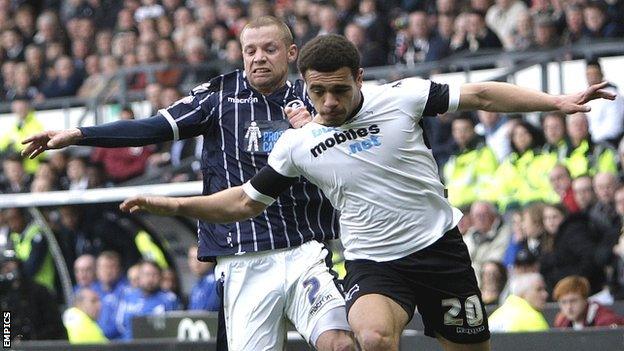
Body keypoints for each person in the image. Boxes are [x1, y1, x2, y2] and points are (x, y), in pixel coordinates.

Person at [119, 34, 615, 351]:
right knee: (373, 337)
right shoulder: (298, 144)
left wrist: (557, 102)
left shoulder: (401, 98)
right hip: (373, 261)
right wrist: (173, 205)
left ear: (360, 78)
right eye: (318, 93)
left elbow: (483, 94)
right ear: (305, 87)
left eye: (340, 90)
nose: (329, 103)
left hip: (439, 250)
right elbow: (245, 201)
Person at [22, 16, 353, 351]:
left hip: (305, 250)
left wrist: (317, 131)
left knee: (340, 343)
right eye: (250, 50)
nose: (259, 58)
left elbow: (351, 155)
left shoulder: (315, 98)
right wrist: (80, 135)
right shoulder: (217, 96)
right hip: (243, 259)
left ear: (291, 52)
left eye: (270, 49)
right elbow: (152, 128)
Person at [117, 260, 181, 340]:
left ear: (160, 277)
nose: (150, 279)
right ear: (139, 276)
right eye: (146, 274)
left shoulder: (169, 299)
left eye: (154, 275)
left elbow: (174, 330)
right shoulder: (128, 296)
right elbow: (120, 325)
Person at [553, 275, 624, 329]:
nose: (569, 307)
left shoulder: (606, 321)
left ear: (585, 299)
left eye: (573, 301)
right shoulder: (562, 321)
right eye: (563, 302)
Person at [187, 245, 219, 311]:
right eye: (192, 258)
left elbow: (208, 313)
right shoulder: (197, 285)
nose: (196, 262)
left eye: (201, 257)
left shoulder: (214, 281)